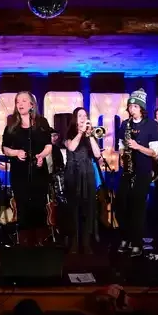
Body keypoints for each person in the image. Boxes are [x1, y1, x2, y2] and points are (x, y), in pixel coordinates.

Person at [1, 91, 52, 246]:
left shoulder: (42, 123)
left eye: (24, 101)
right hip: (20, 173)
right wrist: (16, 152)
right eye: (18, 101)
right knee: (23, 205)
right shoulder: (12, 125)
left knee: (39, 205)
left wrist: (41, 156)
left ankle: (40, 241)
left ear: (31, 104)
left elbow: (48, 145)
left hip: (39, 171)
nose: (20, 104)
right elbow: (5, 148)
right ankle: (24, 242)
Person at [115, 88, 158, 256]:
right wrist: (122, 155)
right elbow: (120, 145)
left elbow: (154, 152)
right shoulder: (125, 124)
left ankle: (136, 241)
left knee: (138, 207)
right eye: (130, 106)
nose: (131, 109)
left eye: (134, 106)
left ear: (141, 108)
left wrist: (137, 146)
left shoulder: (151, 125)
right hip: (127, 171)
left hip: (142, 171)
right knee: (121, 204)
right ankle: (125, 237)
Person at [64, 107, 102, 254]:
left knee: (88, 208)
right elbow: (71, 147)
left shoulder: (89, 135)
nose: (83, 118)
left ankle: (86, 242)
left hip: (87, 172)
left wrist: (90, 135)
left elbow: (97, 155)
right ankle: (74, 242)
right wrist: (80, 133)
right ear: (75, 118)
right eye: (80, 116)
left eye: (85, 116)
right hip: (73, 173)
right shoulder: (69, 134)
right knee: (74, 209)